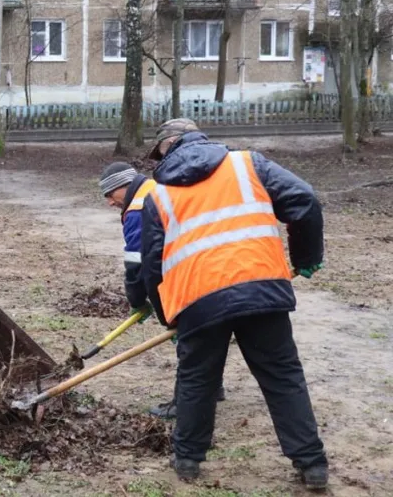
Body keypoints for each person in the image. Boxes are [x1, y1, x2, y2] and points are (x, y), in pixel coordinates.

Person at [139, 119, 329, 490]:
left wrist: (169, 318)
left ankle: (188, 460)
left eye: (158, 150)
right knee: (282, 377)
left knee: (197, 380)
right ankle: (312, 464)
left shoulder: (158, 196)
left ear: (170, 144)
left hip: (197, 301)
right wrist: (307, 255)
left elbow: (152, 266)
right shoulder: (247, 164)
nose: (156, 158)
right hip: (261, 290)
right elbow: (304, 200)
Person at [98, 161, 225, 419]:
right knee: (208, 333)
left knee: (187, 337)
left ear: (123, 186)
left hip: (186, 275)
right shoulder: (159, 187)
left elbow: (137, 263)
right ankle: (213, 386)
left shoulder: (137, 208)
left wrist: (137, 300)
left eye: (110, 195)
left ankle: (184, 403)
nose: (110, 202)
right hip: (208, 266)